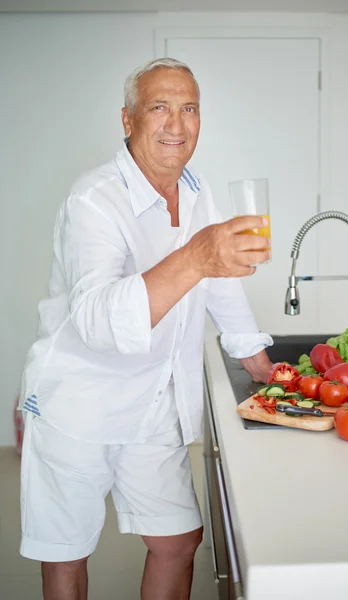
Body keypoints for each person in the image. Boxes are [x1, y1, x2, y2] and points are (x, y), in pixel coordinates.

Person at [18, 57, 273, 600]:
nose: (176, 125)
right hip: (75, 401)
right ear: (128, 120)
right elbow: (96, 320)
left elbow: (221, 281)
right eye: (159, 107)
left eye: (189, 109)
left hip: (152, 401)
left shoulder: (197, 189)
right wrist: (197, 256)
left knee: (180, 541)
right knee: (67, 551)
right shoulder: (94, 198)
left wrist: (258, 360)